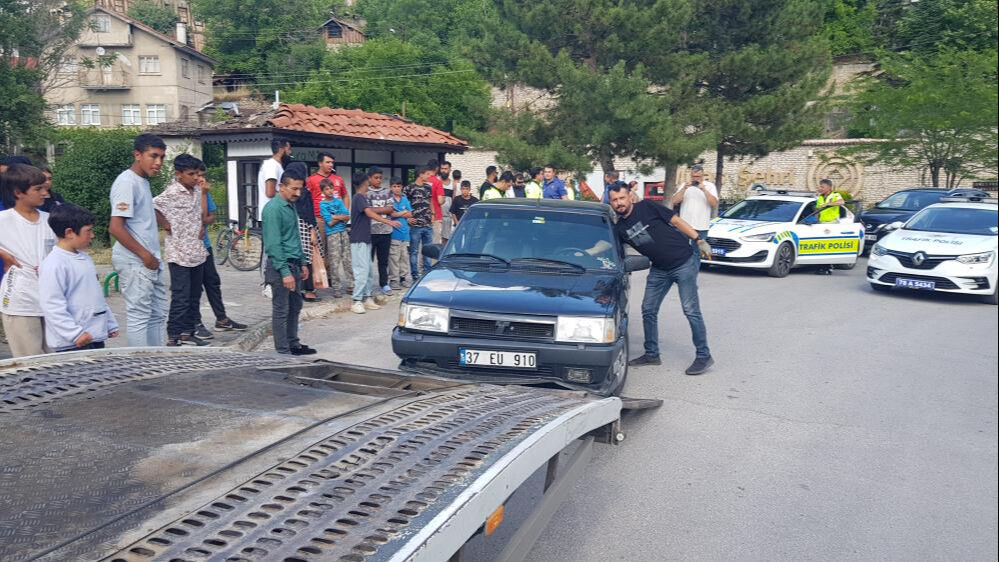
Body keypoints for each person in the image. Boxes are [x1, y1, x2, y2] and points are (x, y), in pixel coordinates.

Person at [605, 183, 715, 375]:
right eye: (614, 200)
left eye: (621, 198)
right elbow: (606, 246)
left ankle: (704, 356)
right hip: (659, 269)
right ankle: (652, 354)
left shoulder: (647, 207)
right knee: (648, 309)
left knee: (690, 310)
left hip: (684, 262)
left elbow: (676, 221)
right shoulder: (620, 228)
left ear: (630, 196)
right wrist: (585, 252)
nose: (619, 203)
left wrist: (699, 239)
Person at [109, 133, 167, 347]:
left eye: (162, 157)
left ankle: (157, 363)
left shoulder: (142, 181)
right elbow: (115, 227)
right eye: (153, 156)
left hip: (151, 260)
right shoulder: (126, 182)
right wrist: (145, 255)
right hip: (137, 261)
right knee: (139, 316)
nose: (158, 162)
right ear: (137, 155)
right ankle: (140, 370)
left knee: (158, 314)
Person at [39, 204, 120, 352]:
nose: (93, 235)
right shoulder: (54, 264)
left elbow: (96, 296)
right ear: (70, 232)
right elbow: (52, 305)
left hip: (93, 336)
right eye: (88, 231)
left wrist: (109, 323)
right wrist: (74, 334)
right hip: (72, 343)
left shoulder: (85, 258)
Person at [154, 154, 210, 347]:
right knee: (181, 296)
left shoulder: (196, 190)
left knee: (195, 295)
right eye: (190, 174)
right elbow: (152, 205)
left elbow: (202, 214)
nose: (195, 177)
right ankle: (173, 334)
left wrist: (201, 224)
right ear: (179, 174)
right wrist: (165, 224)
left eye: (197, 174)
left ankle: (188, 332)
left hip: (196, 250)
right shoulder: (171, 193)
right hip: (178, 253)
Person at [0, 164, 55, 356]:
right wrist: (3, 254)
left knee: (55, 359)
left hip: (50, 298)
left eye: (45, 188)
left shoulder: (50, 220)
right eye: (38, 189)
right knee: (29, 361)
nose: (44, 193)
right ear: (18, 192)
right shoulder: (4, 220)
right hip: (20, 299)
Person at [261, 169, 316, 356]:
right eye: (294, 189)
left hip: (294, 263)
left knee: (295, 306)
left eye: (300, 189)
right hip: (280, 267)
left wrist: (302, 263)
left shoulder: (290, 205)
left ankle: (294, 343)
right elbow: (274, 244)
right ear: (281, 187)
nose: (298, 193)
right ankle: (283, 350)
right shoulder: (273, 209)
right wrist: (285, 272)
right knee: (281, 309)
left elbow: (295, 238)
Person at [194, 167, 247, 336]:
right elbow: (201, 217)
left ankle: (221, 319)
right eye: (197, 175)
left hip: (205, 244)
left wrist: (204, 195)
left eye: (203, 175)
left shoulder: (205, 193)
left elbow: (209, 218)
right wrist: (201, 196)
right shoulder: (187, 194)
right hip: (190, 248)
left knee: (212, 282)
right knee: (194, 288)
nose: (201, 179)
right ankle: (195, 322)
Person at [350, 172, 401, 314]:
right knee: (361, 270)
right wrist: (388, 221)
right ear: (364, 183)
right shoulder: (358, 197)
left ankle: (367, 298)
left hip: (366, 239)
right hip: (358, 239)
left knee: (368, 271)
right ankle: (356, 300)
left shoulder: (363, 197)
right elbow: (370, 213)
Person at [286, 161, 322, 302]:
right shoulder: (304, 192)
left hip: (295, 226)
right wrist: (312, 230)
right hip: (305, 227)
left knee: (298, 258)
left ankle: (298, 288)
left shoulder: (288, 193)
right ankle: (309, 290)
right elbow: (309, 213)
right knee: (308, 260)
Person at [365, 167, 395, 297]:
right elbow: (366, 210)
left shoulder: (387, 192)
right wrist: (383, 209)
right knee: (368, 260)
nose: (379, 180)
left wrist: (374, 210)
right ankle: (367, 285)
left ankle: (384, 284)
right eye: (376, 178)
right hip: (370, 232)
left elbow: (390, 209)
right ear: (370, 178)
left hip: (385, 231)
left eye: (380, 178)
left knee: (383, 260)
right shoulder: (366, 193)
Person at [319, 179, 352, 299]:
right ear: (322, 191)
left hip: (343, 232)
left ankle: (351, 285)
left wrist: (335, 216)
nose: (330, 191)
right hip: (332, 234)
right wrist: (340, 217)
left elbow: (347, 217)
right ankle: (336, 287)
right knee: (334, 261)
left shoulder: (338, 201)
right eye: (327, 189)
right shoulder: (322, 204)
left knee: (347, 259)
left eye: (331, 188)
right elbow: (329, 222)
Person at [670, 164, 718, 241]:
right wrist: (684, 189)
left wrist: (704, 190)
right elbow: (674, 201)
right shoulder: (684, 185)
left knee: (699, 251)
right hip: (685, 225)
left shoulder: (710, 186)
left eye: (697, 177)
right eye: (693, 177)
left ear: (702, 176)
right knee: (683, 250)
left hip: (701, 226)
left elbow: (714, 204)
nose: (695, 179)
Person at [404, 166, 436, 278]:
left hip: (428, 224)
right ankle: (415, 274)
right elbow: (404, 204)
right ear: (421, 174)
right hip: (415, 226)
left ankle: (427, 272)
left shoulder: (428, 187)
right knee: (414, 251)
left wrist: (433, 215)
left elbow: (430, 201)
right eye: (427, 174)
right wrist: (407, 218)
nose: (429, 176)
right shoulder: (409, 188)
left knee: (428, 251)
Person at [814, 178, 845, 275]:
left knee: (828, 246)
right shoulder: (820, 197)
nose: (820, 188)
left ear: (829, 187)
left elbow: (841, 202)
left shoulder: (835, 195)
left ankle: (828, 267)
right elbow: (818, 210)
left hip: (832, 223)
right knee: (822, 246)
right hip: (822, 223)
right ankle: (822, 266)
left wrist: (829, 204)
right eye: (820, 186)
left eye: (822, 187)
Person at [257, 138, 290, 222]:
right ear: (281, 150)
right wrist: (288, 194)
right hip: (271, 213)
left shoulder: (277, 166)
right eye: (288, 149)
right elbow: (270, 192)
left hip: (276, 211)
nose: (290, 153)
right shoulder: (271, 165)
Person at [389, 177, 413, 290]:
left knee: (404, 257)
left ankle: (403, 278)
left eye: (398, 186)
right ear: (391, 187)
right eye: (394, 186)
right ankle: (394, 280)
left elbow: (410, 214)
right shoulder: (389, 199)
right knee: (394, 258)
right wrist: (403, 212)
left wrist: (400, 213)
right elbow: (391, 214)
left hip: (405, 234)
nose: (397, 188)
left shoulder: (405, 199)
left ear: (402, 187)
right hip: (394, 234)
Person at [426, 160, 445, 243]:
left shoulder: (423, 180)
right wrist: (444, 199)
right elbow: (440, 200)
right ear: (437, 168)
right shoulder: (437, 182)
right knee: (434, 242)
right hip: (436, 215)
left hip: (423, 215)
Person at [441, 167, 458, 244]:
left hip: (448, 217)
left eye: (446, 168)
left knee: (446, 240)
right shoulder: (437, 182)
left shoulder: (453, 185)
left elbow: (454, 201)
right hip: (438, 218)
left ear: (450, 170)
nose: (444, 170)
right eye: (442, 168)